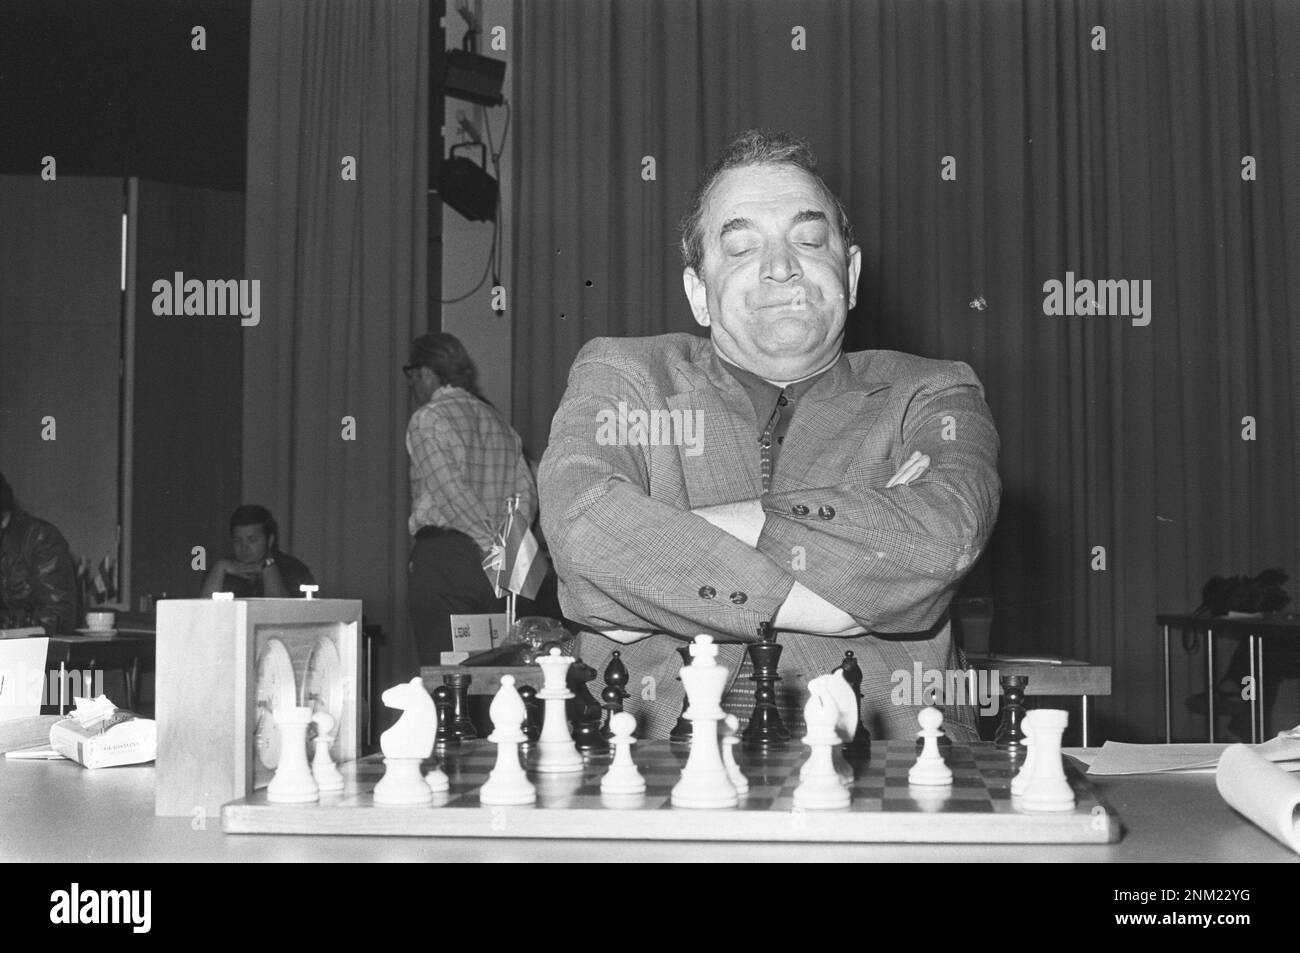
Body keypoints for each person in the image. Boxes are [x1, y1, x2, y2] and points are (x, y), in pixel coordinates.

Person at [539, 129, 1001, 741]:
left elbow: (938, 543)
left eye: (809, 240)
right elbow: (582, 538)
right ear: (698, 292)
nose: (781, 266)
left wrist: (653, 564)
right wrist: (857, 573)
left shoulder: (934, 393)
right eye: (740, 248)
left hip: (890, 770)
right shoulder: (623, 376)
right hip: (650, 767)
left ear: (852, 273)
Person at [405, 333, 538, 665]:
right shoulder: (498, 421)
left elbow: (450, 493)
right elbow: (526, 493)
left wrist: (486, 543)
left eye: (412, 375)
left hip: (448, 557)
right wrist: (504, 552)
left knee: (447, 677)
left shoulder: (427, 418)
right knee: (496, 675)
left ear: (425, 372)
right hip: (501, 565)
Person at [0, 471, 77, 634]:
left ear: (4, 519)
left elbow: (60, 617)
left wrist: (5, 624)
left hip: (33, 654)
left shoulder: (40, 539)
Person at [199, 505, 315, 598]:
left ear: (269, 540)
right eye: (237, 540)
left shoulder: (293, 570)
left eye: (252, 540)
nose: (244, 547)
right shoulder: (224, 568)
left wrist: (268, 568)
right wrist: (219, 568)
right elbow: (203, 614)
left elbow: (289, 615)